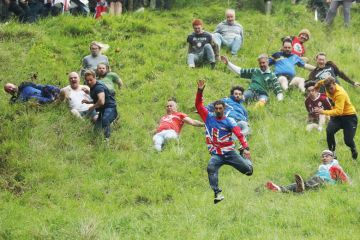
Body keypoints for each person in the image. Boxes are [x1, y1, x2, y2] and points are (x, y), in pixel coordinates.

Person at [195, 79, 253, 204]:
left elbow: (239, 134)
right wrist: (200, 91)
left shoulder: (229, 121)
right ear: (214, 109)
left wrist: (246, 148)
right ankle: (217, 193)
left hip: (230, 153)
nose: (218, 110)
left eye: (220, 108)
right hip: (217, 154)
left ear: (224, 109)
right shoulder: (208, 117)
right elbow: (199, 105)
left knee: (248, 171)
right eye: (216, 108)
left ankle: (247, 159)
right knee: (211, 168)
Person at [314, 76, 358, 160]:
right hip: (337, 117)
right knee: (329, 131)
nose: (330, 91)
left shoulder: (340, 94)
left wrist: (323, 111)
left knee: (348, 141)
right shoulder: (326, 84)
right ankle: (332, 154)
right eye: (328, 89)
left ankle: (353, 149)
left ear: (335, 84)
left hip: (349, 117)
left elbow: (339, 111)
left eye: (331, 88)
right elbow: (321, 82)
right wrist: (317, 86)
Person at [266, 150, 349, 193]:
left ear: (332, 158)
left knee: (313, 180)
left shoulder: (335, 166)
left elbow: (344, 179)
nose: (324, 157)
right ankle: (279, 188)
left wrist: (347, 186)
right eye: (323, 156)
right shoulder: (321, 167)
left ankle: (301, 188)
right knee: (302, 183)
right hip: (317, 180)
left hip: (327, 182)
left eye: (326, 156)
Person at [82, 70, 117, 142]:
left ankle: (106, 140)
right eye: (87, 80)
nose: (89, 82)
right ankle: (97, 142)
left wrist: (92, 107)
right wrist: (89, 102)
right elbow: (98, 99)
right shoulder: (93, 86)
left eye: (91, 80)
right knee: (96, 131)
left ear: (95, 78)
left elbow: (101, 101)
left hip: (110, 109)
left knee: (105, 121)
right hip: (103, 110)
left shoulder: (98, 87)